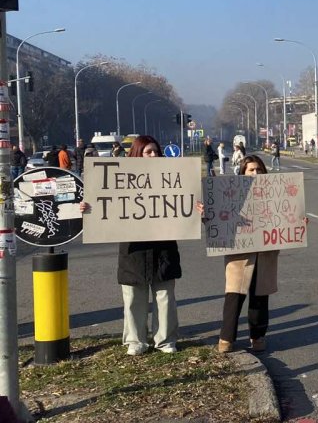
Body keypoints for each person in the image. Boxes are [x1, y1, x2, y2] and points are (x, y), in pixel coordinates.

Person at [82, 135, 196, 355]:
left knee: (164, 297)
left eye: (156, 151)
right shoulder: (120, 178)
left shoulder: (173, 177)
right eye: (148, 152)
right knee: (134, 296)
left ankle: (165, 340)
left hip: (163, 249)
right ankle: (136, 341)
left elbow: (184, 204)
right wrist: (88, 209)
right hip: (133, 250)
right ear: (137, 154)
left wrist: (195, 209)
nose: (153, 155)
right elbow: (103, 203)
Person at [218, 156, 285, 353]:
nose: (256, 173)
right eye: (251, 170)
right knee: (234, 296)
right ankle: (226, 338)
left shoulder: (275, 194)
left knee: (260, 297)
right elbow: (218, 221)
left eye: (259, 170)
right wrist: (208, 214)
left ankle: (258, 337)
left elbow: (284, 217)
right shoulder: (231, 194)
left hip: (265, 254)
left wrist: (296, 224)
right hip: (240, 255)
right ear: (242, 172)